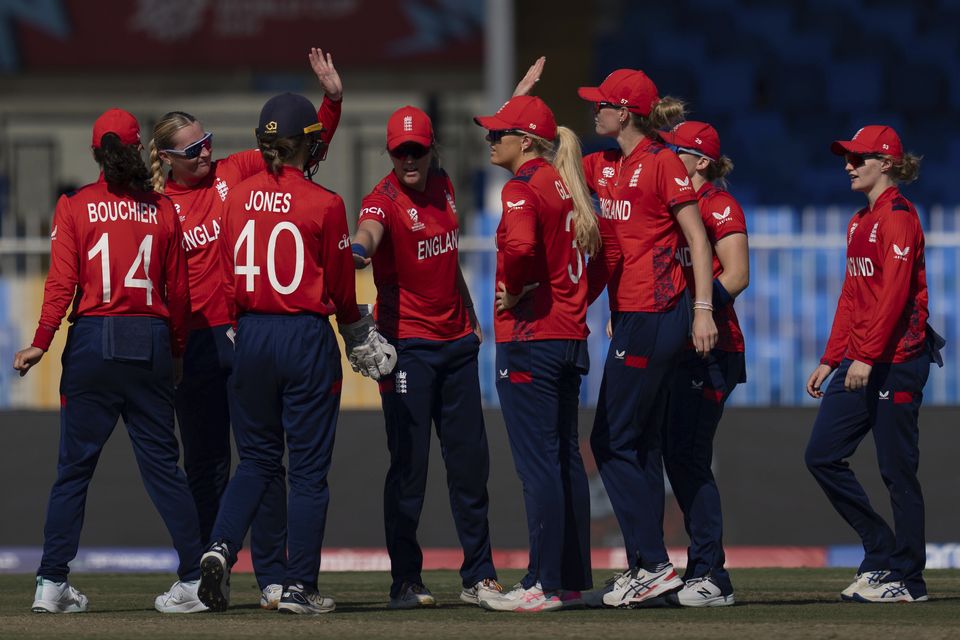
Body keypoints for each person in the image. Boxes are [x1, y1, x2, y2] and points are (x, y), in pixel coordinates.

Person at [148, 48, 342, 609]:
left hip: (245, 333)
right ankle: (207, 568)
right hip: (195, 346)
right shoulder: (158, 209)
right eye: (193, 149)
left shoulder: (235, 177)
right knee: (207, 464)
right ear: (166, 158)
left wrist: (330, 102)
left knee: (264, 461)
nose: (207, 153)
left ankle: (274, 574)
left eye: (209, 142)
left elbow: (299, 149)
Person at [195, 92, 394, 615]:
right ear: (310, 144)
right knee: (306, 472)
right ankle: (300, 588)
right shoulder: (325, 203)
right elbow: (341, 287)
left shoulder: (235, 198)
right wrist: (356, 332)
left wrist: (238, 326)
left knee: (256, 461)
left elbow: (223, 274)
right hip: (304, 336)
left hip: (252, 336)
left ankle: (218, 546)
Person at [13, 108, 206, 614]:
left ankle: (51, 583)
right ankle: (193, 581)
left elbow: (61, 285)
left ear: (96, 152)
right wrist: (178, 350)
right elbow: (179, 295)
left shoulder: (75, 206)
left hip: (94, 342)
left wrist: (40, 340)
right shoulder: (164, 211)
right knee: (165, 470)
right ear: (140, 149)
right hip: (150, 342)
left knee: (73, 471)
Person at [577, 69, 719, 607]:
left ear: (626, 113)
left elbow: (697, 240)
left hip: (658, 311)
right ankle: (648, 564)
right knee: (634, 441)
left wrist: (702, 310)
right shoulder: (606, 164)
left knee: (611, 440)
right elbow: (551, 158)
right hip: (633, 313)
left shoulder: (660, 164)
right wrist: (520, 105)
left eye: (602, 105)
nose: (594, 112)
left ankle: (653, 564)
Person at [351, 105, 500, 609]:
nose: (409, 159)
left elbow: (448, 259)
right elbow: (368, 233)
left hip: (457, 343)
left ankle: (479, 576)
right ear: (390, 153)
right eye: (400, 152)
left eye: (417, 150)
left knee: (470, 467)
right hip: (408, 347)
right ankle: (406, 581)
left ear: (432, 148)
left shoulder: (445, 185)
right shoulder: (383, 200)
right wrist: (355, 251)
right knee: (409, 469)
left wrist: (471, 310)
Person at [804, 125, 943, 604]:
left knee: (896, 471)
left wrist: (863, 355)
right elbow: (853, 295)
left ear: (886, 163)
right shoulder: (859, 221)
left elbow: (895, 295)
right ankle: (881, 552)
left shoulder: (899, 218)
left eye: (858, 157)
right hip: (861, 359)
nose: (848, 165)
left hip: (898, 360)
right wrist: (832, 357)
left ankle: (909, 578)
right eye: (847, 157)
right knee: (821, 455)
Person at [471, 95, 599, 612]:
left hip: (531, 338)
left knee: (538, 465)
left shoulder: (523, 188)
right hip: (568, 336)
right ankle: (567, 579)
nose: (489, 140)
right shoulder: (564, 184)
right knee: (566, 459)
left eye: (497, 134)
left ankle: (543, 583)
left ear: (525, 141)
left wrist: (518, 289)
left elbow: (521, 250)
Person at [659, 121, 749, 607]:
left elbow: (736, 274)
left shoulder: (719, 205)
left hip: (713, 348)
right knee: (679, 457)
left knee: (689, 457)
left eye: (676, 151)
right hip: (679, 347)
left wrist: (693, 311)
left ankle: (711, 572)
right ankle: (702, 568)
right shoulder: (674, 205)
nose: (667, 157)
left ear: (701, 162)